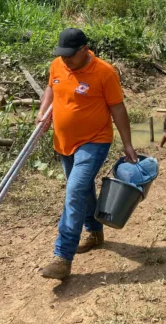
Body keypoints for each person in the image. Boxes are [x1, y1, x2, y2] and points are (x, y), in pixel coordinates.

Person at [38, 28, 138, 281]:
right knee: (82, 190)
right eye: (61, 55)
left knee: (74, 193)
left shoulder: (104, 73)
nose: (65, 60)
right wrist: (43, 112)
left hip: (94, 142)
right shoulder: (57, 65)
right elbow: (51, 89)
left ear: (85, 50)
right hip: (64, 142)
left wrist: (127, 144)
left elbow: (118, 108)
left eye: (70, 55)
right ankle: (94, 231)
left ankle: (62, 257)